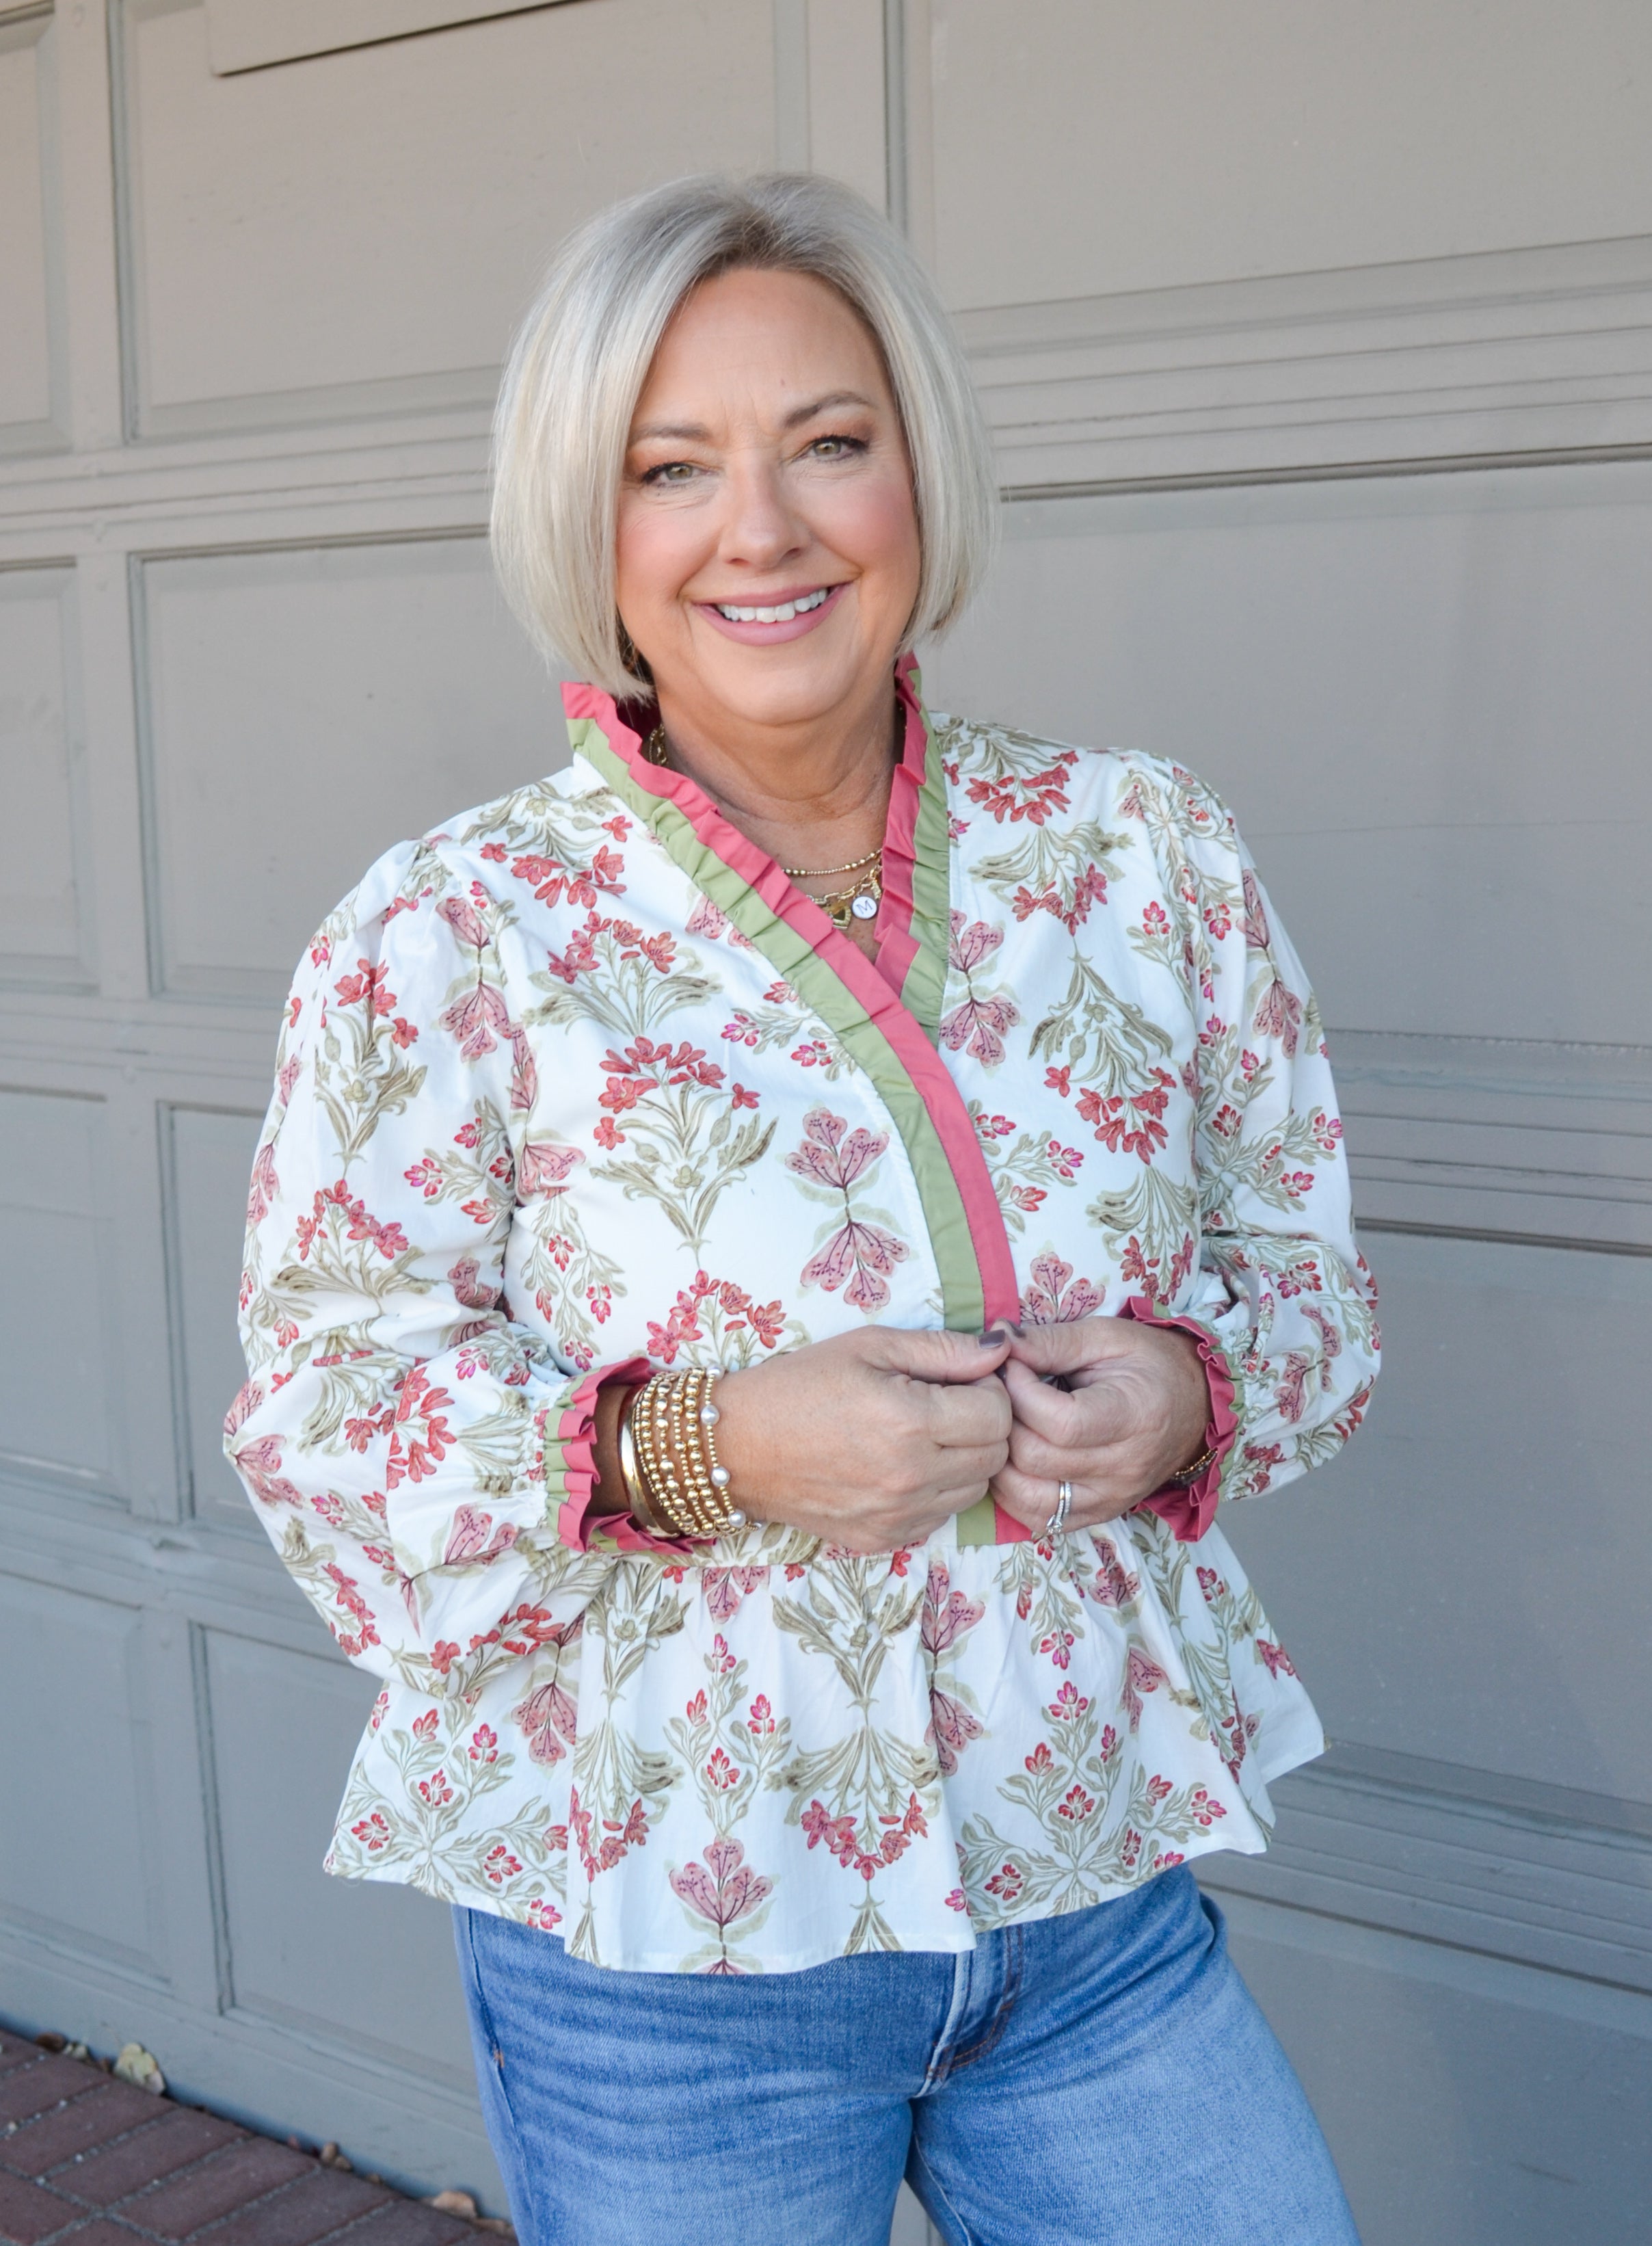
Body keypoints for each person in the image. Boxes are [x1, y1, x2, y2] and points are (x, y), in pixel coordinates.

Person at [229, 172, 1378, 2246]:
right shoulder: (455, 933)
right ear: (591, 526)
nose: (760, 528)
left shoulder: (1140, 854)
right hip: (670, 1960)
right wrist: (716, 1442)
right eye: (672, 468)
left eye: (827, 442)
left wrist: (1193, 1397)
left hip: (1089, 1900)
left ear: (919, 467)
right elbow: (325, 1435)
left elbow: (1309, 1291)